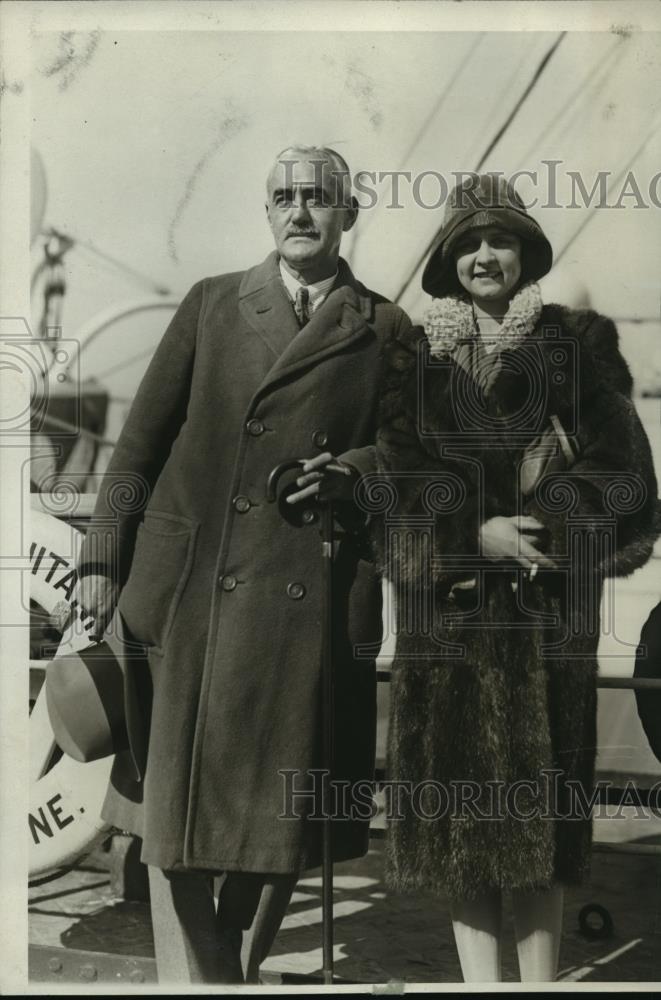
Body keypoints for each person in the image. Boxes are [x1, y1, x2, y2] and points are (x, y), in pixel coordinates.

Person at [76, 144, 411, 984]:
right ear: (267, 212)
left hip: (316, 596)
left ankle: (220, 978)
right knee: (176, 820)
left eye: (319, 197)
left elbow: (415, 458)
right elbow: (139, 444)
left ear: (348, 213)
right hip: (192, 599)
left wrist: (352, 474)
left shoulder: (385, 328)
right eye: (284, 197)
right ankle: (216, 980)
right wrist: (100, 559)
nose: (300, 211)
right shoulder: (213, 304)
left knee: (282, 826)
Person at [370, 173, 659, 982]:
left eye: (498, 241)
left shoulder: (575, 346)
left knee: (541, 834)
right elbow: (394, 487)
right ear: (446, 261)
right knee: (461, 834)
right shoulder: (411, 361)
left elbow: (628, 475)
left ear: (525, 253)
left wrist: (549, 527)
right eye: (466, 244)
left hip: (545, 623)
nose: (483, 256)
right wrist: (473, 535)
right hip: (451, 625)